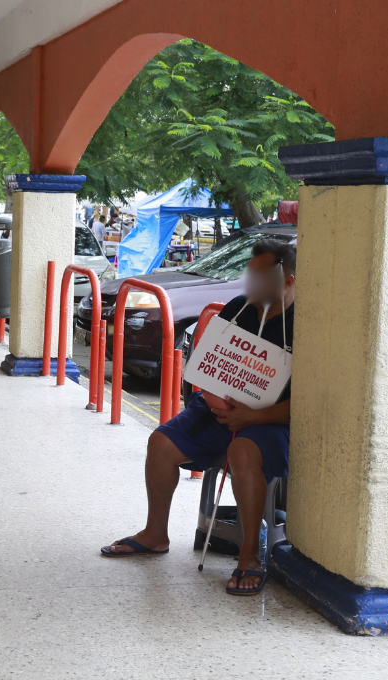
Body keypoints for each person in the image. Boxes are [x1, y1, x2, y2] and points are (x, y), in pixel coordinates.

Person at [101, 239, 296, 598]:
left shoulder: (304, 324)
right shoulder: (238, 309)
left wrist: (253, 418)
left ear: (288, 281)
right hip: (217, 411)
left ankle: (250, 554)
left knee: (243, 454)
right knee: (160, 442)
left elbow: (307, 403)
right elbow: (204, 370)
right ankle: (155, 533)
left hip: (273, 422)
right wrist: (214, 402)